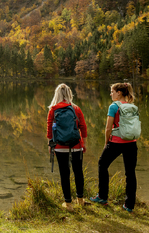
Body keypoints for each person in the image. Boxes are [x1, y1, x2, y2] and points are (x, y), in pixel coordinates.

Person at [90, 82, 138, 213]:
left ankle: (102, 197)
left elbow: (108, 128)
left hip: (116, 142)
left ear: (119, 92)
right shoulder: (132, 106)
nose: (111, 94)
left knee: (102, 164)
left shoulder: (113, 106)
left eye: (112, 91)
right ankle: (129, 206)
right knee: (130, 173)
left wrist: (106, 142)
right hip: (131, 143)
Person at [47, 83, 88, 211]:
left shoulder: (53, 109)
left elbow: (49, 130)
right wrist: (84, 143)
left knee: (64, 173)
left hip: (59, 146)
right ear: (69, 94)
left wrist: (50, 145)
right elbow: (83, 127)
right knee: (78, 172)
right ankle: (80, 200)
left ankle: (68, 203)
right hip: (76, 145)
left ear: (57, 94)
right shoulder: (76, 108)